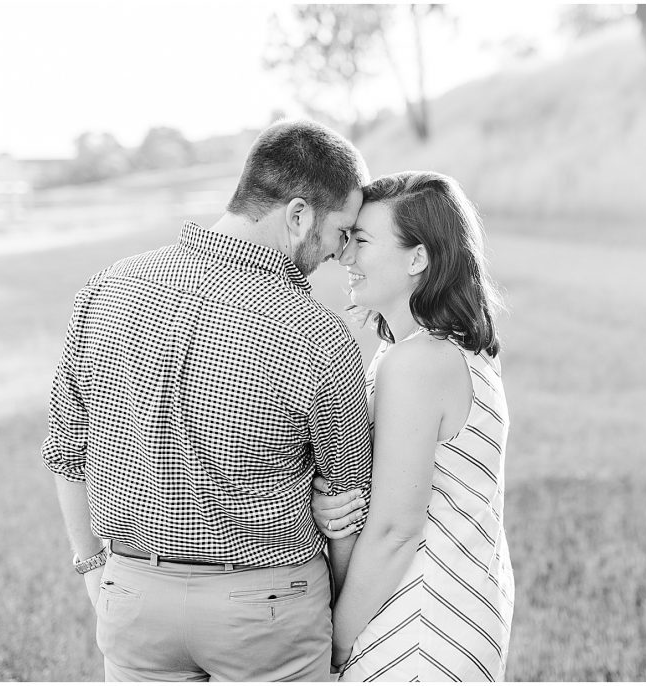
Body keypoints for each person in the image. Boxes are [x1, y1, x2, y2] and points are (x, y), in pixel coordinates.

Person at [42, 120, 374, 682]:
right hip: (269, 612)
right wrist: (336, 615)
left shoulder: (105, 288)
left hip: (135, 600)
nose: (342, 254)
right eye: (342, 232)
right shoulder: (319, 336)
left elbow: (65, 454)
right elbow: (344, 506)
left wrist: (94, 565)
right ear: (298, 216)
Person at [310, 171, 515, 681]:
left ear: (417, 258)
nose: (344, 256)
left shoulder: (418, 363)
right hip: (457, 593)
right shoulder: (432, 351)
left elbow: (396, 530)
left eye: (361, 241)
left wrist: (334, 642)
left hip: (422, 618)